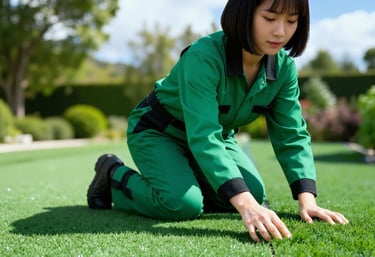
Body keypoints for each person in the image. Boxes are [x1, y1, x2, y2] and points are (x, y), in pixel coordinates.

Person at [87, 0, 349, 242]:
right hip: (158, 131)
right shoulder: (204, 56)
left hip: (218, 137)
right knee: (183, 204)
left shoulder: (284, 69)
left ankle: (188, 180)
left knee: (254, 194)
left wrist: (308, 201)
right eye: (270, 18)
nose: (281, 31)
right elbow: (204, 134)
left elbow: (291, 134)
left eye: (291, 21)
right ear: (244, 14)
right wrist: (244, 205)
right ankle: (112, 174)